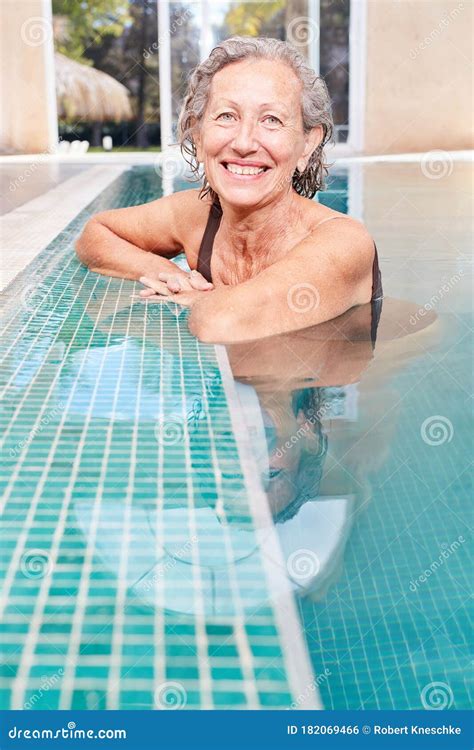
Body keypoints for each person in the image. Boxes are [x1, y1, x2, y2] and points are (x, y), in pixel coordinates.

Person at [76, 37, 382, 343]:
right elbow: (96, 233)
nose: (244, 142)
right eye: (226, 116)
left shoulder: (344, 243)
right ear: (197, 137)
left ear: (307, 144)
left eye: (271, 120)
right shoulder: (196, 215)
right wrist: (167, 274)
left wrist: (197, 298)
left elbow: (222, 324)